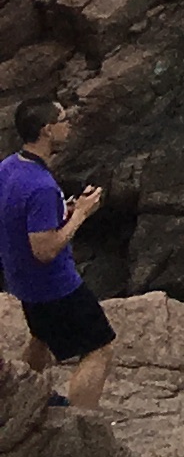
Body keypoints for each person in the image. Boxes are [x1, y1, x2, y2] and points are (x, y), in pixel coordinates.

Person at [6, 101, 115, 413]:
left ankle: (16, 400)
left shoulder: (9, 167)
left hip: (21, 280)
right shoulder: (40, 185)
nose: (69, 124)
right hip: (54, 286)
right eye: (63, 119)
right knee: (99, 348)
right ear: (46, 130)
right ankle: (80, 423)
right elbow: (45, 250)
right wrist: (80, 213)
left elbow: (16, 214)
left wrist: (59, 212)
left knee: (41, 337)